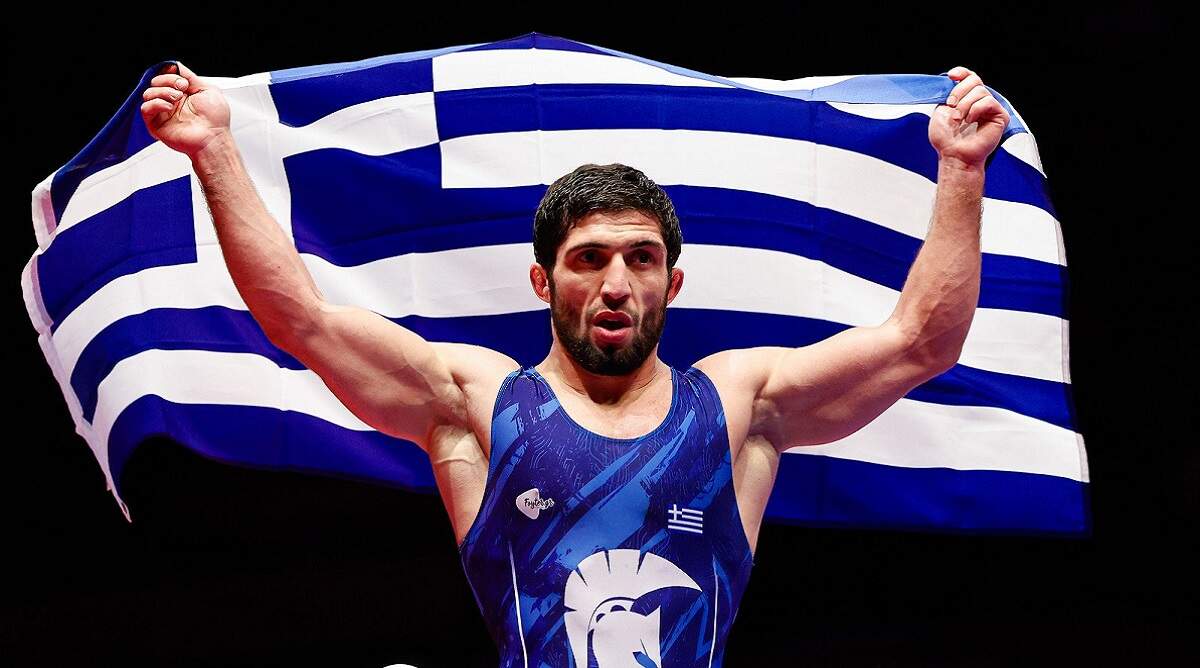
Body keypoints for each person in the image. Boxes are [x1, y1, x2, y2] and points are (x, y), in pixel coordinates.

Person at [141, 60, 1008, 667]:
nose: (616, 283)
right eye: (589, 259)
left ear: (672, 283)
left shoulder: (738, 403)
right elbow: (301, 319)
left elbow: (920, 342)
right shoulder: (480, 400)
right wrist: (213, 149)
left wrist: (960, 168)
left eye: (640, 259)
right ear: (543, 281)